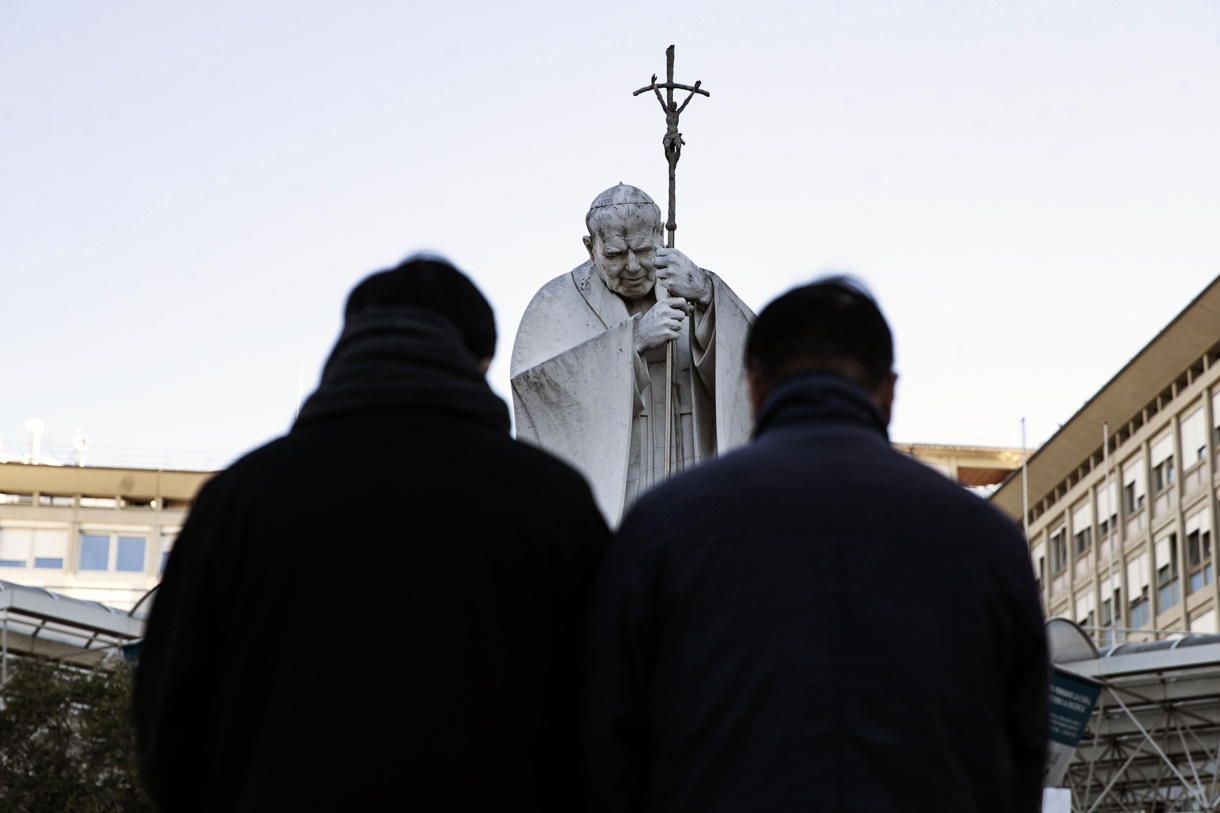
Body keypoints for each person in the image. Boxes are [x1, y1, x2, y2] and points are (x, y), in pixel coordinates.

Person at [133, 254, 610, 812]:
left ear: (345, 350)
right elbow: (609, 717)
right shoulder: (552, 501)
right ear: (480, 361)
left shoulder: (240, 500)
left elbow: (168, 723)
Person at [584, 277, 1048, 812]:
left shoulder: (662, 527)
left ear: (754, 388)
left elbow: (609, 750)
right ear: (889, 392)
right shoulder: (987, 541)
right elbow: (1024, 754)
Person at [511, 183, 754, 524]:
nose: (633, 266)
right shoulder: (555, 304)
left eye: (643, 250)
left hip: (695, 471)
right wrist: (632, 342)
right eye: (614, 254)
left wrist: (706, 295)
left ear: (660, 236)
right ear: (590, 247)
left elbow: (759, 369)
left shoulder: (692, 286)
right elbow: (536, 393)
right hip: (617, 492)